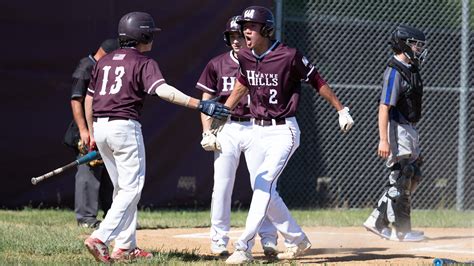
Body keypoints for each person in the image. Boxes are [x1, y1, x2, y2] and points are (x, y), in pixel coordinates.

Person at [82, 11, 229, 263]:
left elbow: (89, 97)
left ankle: (125, 246)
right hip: (124, 127)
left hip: (102, 126)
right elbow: (163, 91)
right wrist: (200, 105)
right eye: (151, 33)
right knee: (132, 189)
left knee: (121, 189)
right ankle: (100, 237)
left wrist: (92, 131)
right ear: (144, 34)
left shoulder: (104, 62)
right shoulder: (143, 62)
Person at [212, 6, 355, 264]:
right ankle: (298, 240)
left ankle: (243, 246)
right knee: (266, 190)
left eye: (252, 26)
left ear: (266, 29)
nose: (246, 31)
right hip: (257, 129)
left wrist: (341, 109)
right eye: (244, 26)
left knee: (263, 185)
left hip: (283, 131)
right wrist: (222, 114)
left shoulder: (288, 55)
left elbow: (317, 80)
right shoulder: (245, 56)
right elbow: (242, 86)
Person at [197, 15, 278, 257]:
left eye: (240, 35)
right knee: (222, 185)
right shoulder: (218, 64)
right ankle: (219, 240)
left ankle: (269, 238)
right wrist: (206, 131)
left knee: (263, 184)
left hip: (257, 126)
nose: (236, 40)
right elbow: (206, 101)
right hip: (228, 127)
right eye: (232, 36)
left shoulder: (263, 61)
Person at [363, 25, 427, 242]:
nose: (419, 49)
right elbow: (384, 107)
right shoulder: (394, 71)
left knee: (414, 174)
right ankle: (384, 223)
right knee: (401, 175)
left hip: (408, 128)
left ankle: (401, 227)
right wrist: (383, 139)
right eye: (416, 44)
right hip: (396, 128)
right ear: (404, 45)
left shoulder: (411, 69)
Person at [63, 39, 118, 228]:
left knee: (109, 172)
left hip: (104, 127)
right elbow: (76, 100)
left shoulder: (105, 69)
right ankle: (86, 218)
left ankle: (112, 216)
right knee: (89, 170)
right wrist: (84, 130)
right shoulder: (87, 67)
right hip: (86, 130)